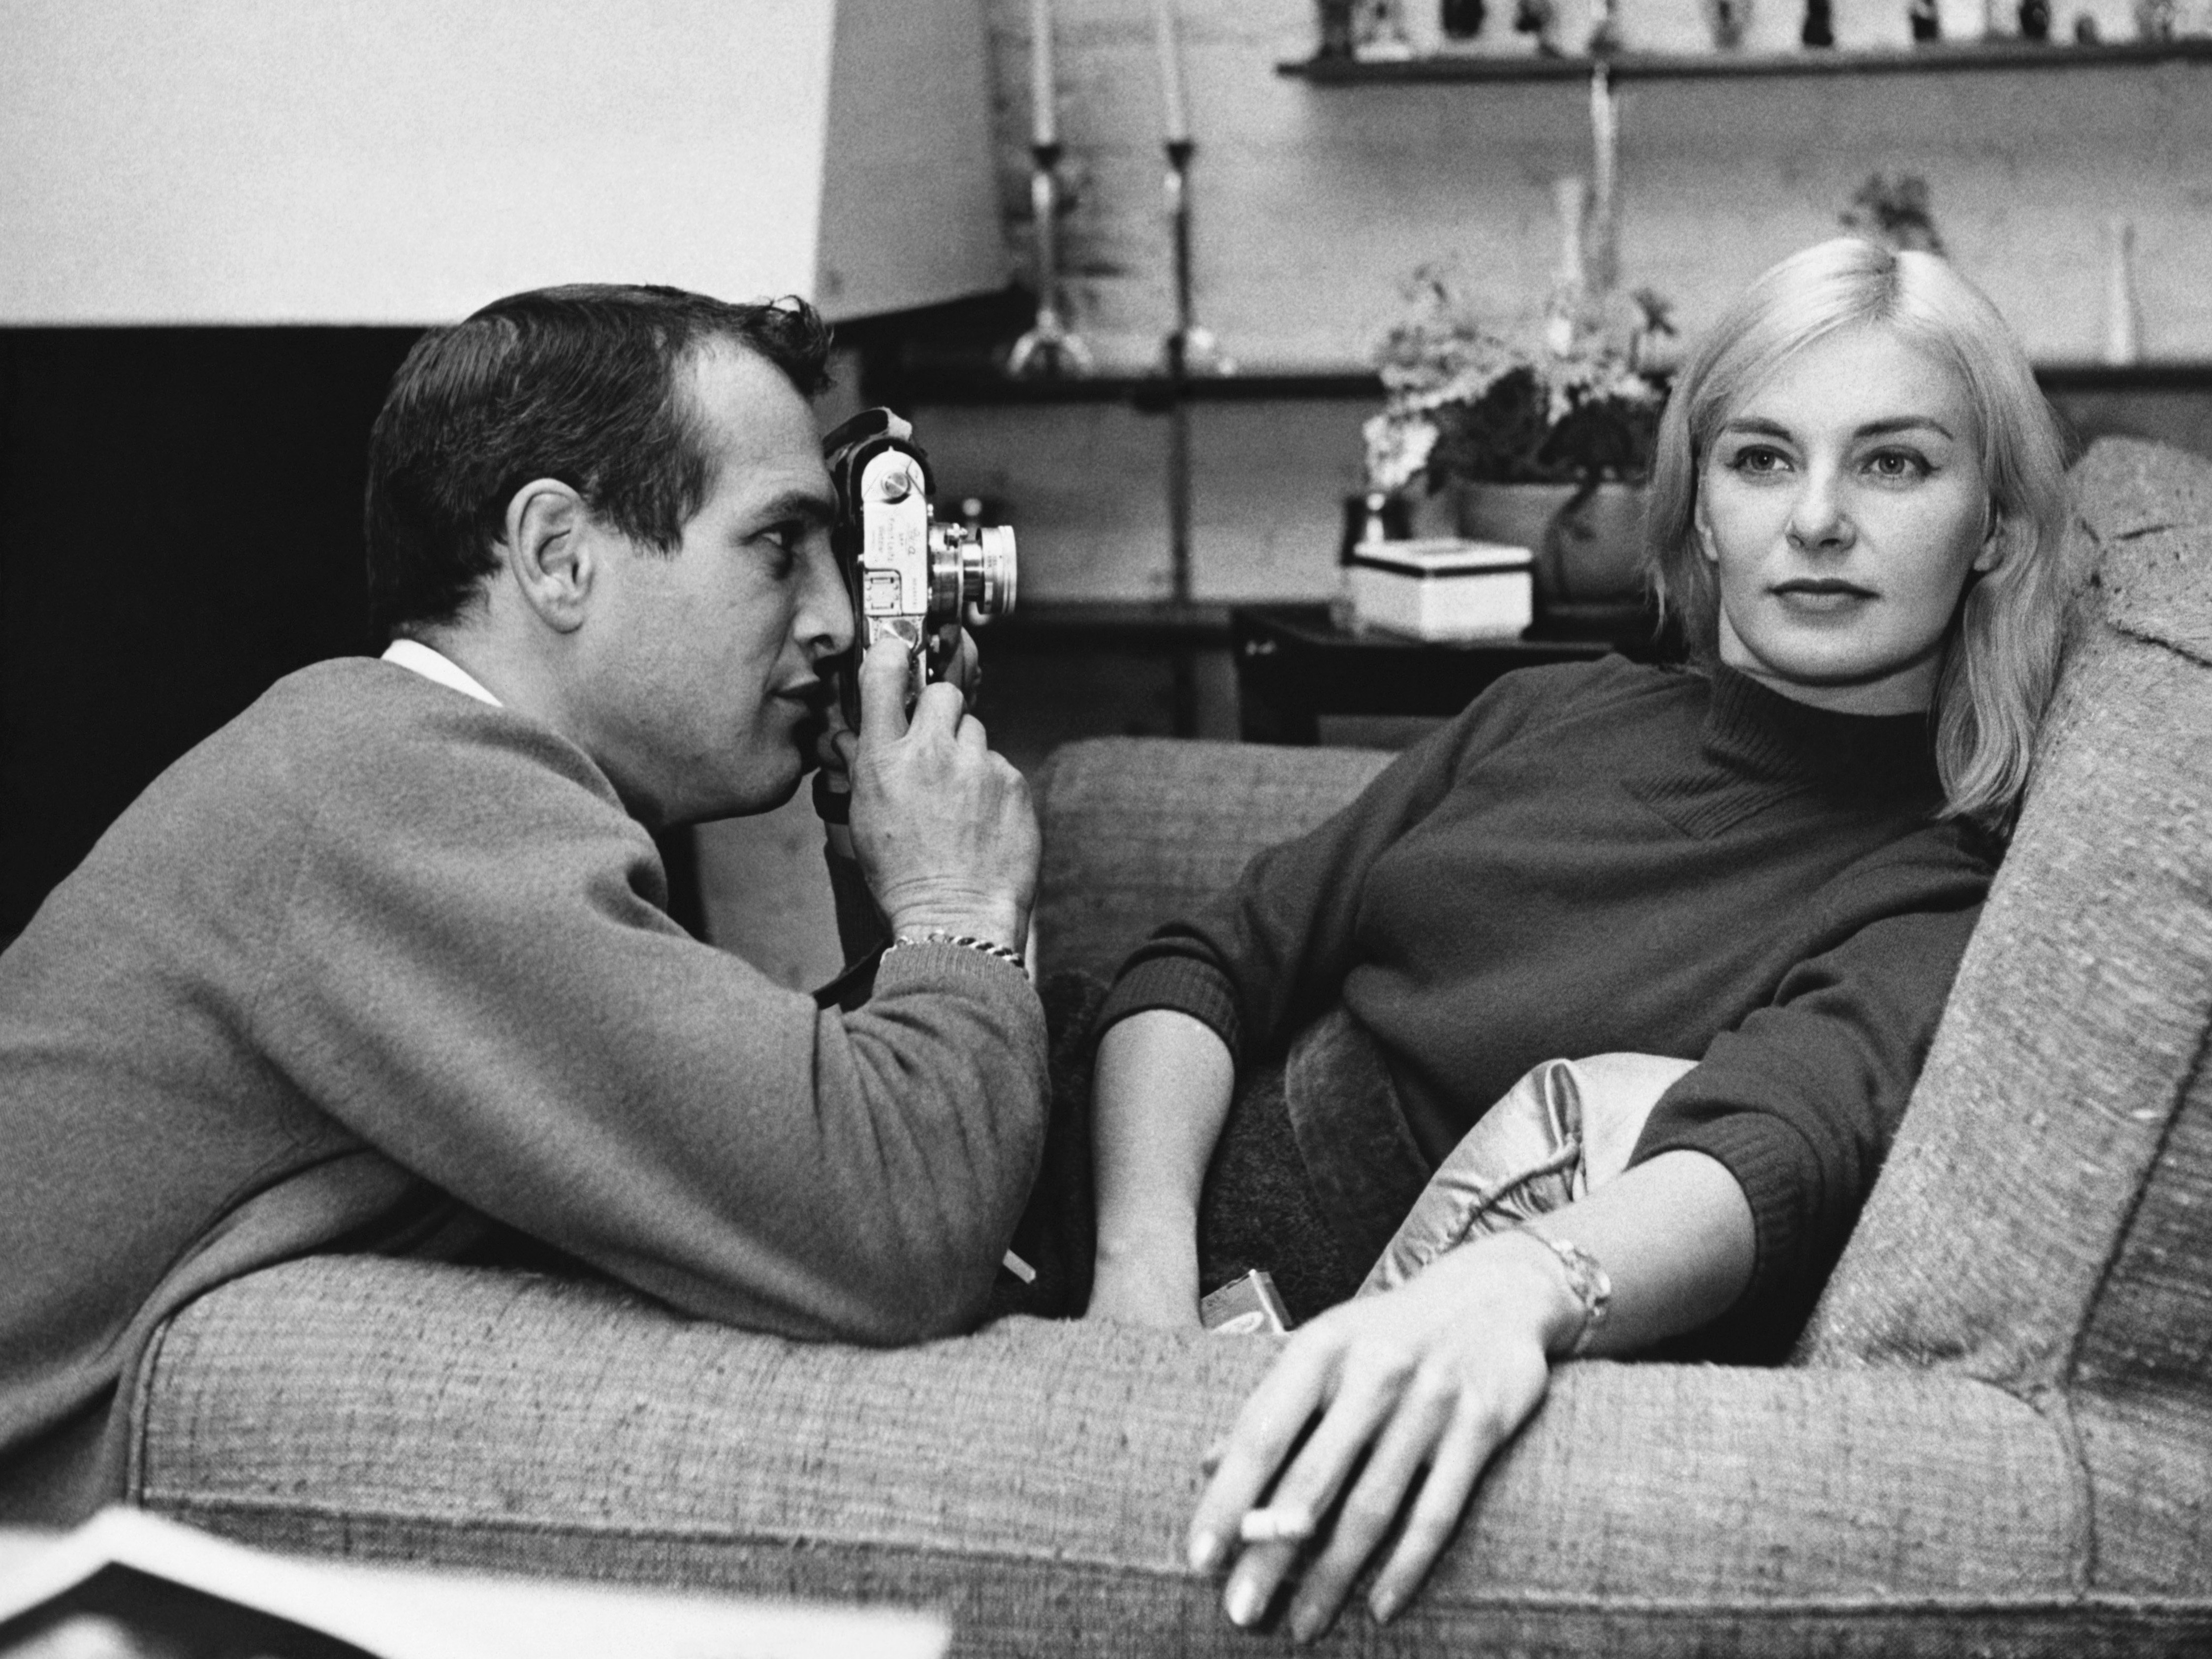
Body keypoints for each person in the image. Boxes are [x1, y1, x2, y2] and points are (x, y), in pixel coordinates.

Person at [1083, 238, 2075, 1637]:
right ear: (1702, 510)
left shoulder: (1937, 885)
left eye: (1895, 464)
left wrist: (1528, 1289)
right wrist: (1134, 1273)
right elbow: (1207, 959)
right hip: (1106, 1212)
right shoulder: (1549, 716)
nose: (1820, 522)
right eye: (1764, 459)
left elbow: (1771, 1148)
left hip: (1314, 1348)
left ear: (1994, 528)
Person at [0, 286, 1044, 1521]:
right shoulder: (395, 792)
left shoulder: (415, 780)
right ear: (557, 555)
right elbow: (897, 1226)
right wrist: (952, 900)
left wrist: (892, 889)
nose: (831, 619)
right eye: (778, 546)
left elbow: (765, 1169)